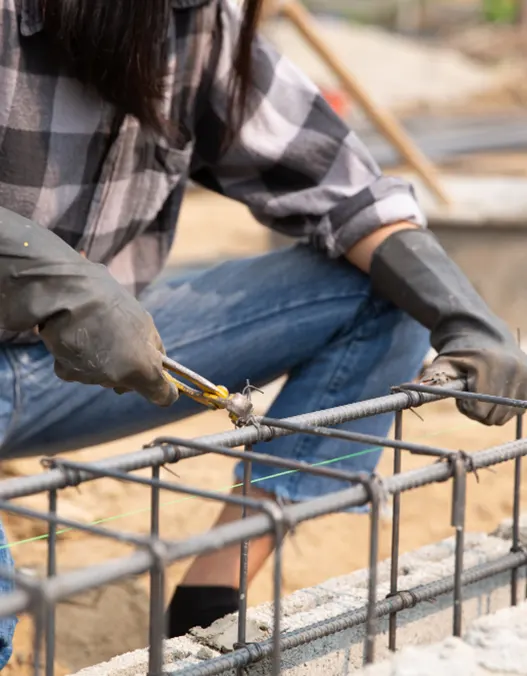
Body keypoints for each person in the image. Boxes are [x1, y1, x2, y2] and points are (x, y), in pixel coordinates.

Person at [0, 0, 525, 666]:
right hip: (68, 332)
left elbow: (346, 191)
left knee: (382, 289)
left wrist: (462, 313)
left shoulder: (196, 25)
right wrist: (37, 269)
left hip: (91, 360)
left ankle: (205, 601)